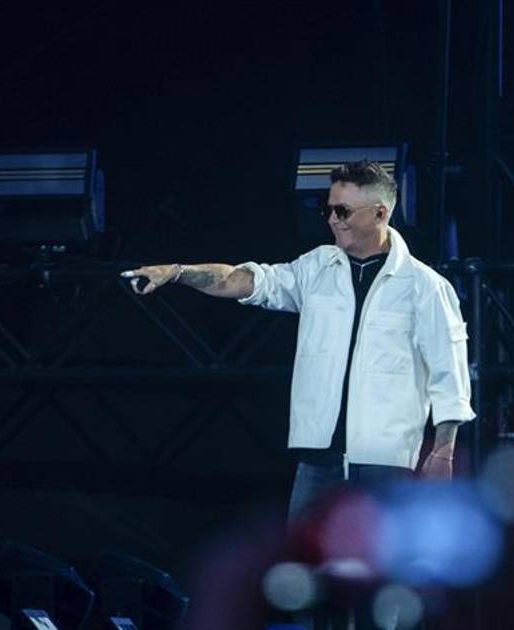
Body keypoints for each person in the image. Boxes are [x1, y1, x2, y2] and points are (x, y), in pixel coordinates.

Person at [121, 160, 474, 523]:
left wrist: (443, 452)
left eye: (343, 211)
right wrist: (177, 273)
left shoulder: (424, 286)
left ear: (380, 213)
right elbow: (240, 281)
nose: (332, 219)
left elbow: (449, 375)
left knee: (383, 558)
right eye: (328, 209)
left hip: (386, 463)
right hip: (318, 460)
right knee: (303, 557)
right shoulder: (316, 267)